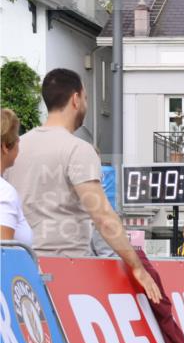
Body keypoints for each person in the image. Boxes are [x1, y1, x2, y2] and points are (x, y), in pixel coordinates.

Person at [5, 69, 161, 303]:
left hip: (21, 272)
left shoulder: (17, 147)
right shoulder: (78, 149)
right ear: (76, 99)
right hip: (67, 272)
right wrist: (137, 266)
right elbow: (103, 217)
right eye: (86, 98)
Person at [1, 109, 32, 245]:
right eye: (16, 136)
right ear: (4, 147)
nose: (19, 139)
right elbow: (4, 254)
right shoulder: (4, 192)